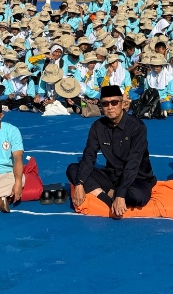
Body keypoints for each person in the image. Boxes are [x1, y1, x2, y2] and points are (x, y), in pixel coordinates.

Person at [67, 85, 157, 217]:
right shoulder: (97, 126)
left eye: (114, 102)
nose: (110, 107)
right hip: (112, 175)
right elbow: (89, 156)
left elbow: (133, 163)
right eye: (105, 104)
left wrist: (121, 194)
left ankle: (110, 193)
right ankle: (108, 200)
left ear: (122, 103)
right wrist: (79, 184)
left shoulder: (137, 127)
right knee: (73, 169)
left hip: (137, 177)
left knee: (137, 197)